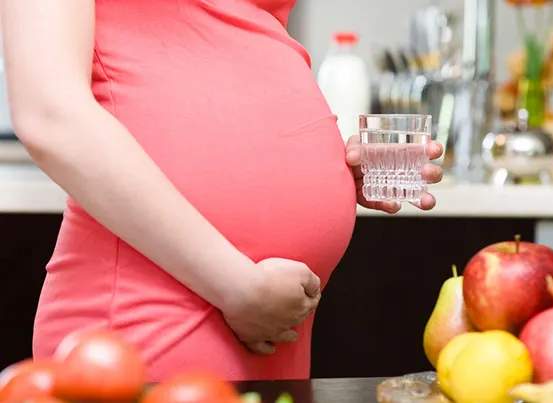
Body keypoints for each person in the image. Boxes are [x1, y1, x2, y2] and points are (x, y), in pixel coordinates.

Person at [0, 0, 443, 382]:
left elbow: (219, 48)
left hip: (274, 322)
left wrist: (323, 168)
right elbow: (49, 113)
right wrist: (237, 286)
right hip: (155, 310)